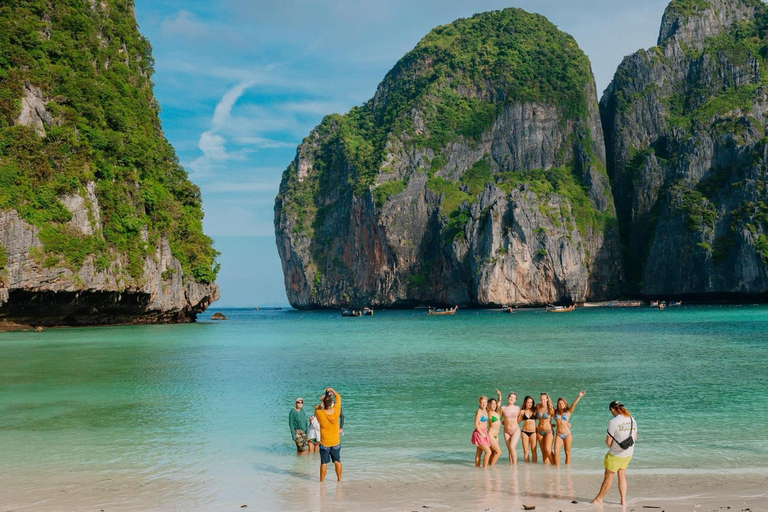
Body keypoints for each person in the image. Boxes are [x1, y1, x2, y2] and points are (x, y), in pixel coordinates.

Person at [592, 401, 638, 506]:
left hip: (615, 455)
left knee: (608, 477)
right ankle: (623, 501)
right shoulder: (631, 419)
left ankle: (599, 499)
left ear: (612, 409)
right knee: (622, 475)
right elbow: (635, 437)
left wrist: (616, 448)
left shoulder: (613, 422)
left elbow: (608, 442)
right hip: (628, 453)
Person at [315, 387, 343, 481]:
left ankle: (321, 481)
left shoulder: (320, 413)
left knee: (324, 463)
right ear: (332, 402)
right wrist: (332, 389)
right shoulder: (336, 410)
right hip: (335, 442)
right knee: (337, 461)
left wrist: (322, 402)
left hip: (325, 443)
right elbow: (338, 397)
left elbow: (316, 408)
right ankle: (339, 479)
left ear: (324, 402)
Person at [552, 391, 586, 465]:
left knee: (567, 452)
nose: (561, 405)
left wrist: (579, 396)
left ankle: (567, 470)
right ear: (557, 405)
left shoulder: (568, 412)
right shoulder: (555, 413)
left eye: (562, 403)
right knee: (556, 451)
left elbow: (573, 404)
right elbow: (549, 408)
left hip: (567, 434)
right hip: (559, 434)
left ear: (565, 404)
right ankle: (557, 469)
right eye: (560, 404)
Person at [497, 388, 521, 464]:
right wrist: (502, 422)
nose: (512, 399)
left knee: (512, 447)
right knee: (509, 449)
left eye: (514, 398)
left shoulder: (517, 408)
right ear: (508, 398)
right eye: (511, 397)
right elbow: (499, 418)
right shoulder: (503, 408)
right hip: (506, 431)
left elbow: (519, 418)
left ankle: (515, 465)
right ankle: (511, 466)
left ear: (515, 400)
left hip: (515, 430)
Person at [471, 396, 491, 468]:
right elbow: (476, 424)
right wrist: (481, 433)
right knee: (488, 452)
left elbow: (496, 405)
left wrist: (499, 396)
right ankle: (484, 469)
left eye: (485, 402)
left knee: (479, 453)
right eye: (482, 402)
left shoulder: (486, 410)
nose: (484, 404)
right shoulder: (479, 411)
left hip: (484, 432)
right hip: (479, 433)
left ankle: (478, 470)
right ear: (479, 403)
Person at [535, 393, 555, 464]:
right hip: (539, 431)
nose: (542, 401)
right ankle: (546, 470)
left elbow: (557, 419)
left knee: (547, 449)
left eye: (544, 399)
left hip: (548, 431)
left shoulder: (550, 408)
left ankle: (554, 465)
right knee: (543, 451)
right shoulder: (538, 406)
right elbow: (532, 415)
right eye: (541, 399)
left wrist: (566, 424)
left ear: (547, 399)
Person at [519, 395, 537, 463]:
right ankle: (527, 468)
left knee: (533, 450)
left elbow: (542, 419)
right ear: (525, 403)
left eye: (531, 402)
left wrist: (551, 424)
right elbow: (517, 422)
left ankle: (534, 467)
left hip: (533, 432)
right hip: (524, 432)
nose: (530, 404)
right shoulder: (522, 412)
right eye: (528, 402)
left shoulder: (535, 411)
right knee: (526, 451)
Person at [486, 397, 503, 466]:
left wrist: (499, 395)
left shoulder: (496, 412)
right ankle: (492, 467)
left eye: (495, 404)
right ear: (489, 405)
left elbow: (499, 402)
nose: (494, 405)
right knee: (499, 452)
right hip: (491, 434)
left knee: (493, 453)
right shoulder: (488, 413)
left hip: (496, 436)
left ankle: (488, 466)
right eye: (492, 404)